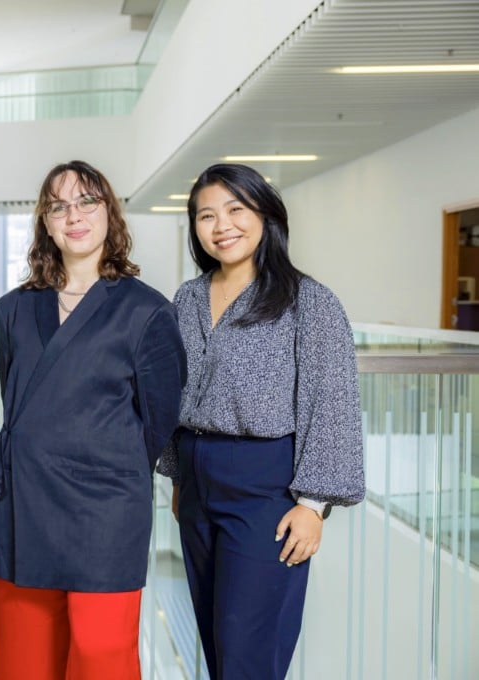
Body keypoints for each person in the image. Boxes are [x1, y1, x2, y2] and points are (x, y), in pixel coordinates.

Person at [158, 163, 365, 680]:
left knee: (248, 649)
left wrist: (314, 505)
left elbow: (331, 402)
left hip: (265, 485)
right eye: (206, 215)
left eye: (235, 210)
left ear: (265, 215)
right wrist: (182, 476)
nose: (221, 225)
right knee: (214, 639)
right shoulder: (186, 299)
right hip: (197, 478)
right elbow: (172, 391)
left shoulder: (307, 301)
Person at [0, 160, 186, 680]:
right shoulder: (14, 308)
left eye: (87, 202)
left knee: (102, 658)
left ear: (109, 213)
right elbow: (18, 399)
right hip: (24, 508)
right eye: (59, 206)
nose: (73, 215)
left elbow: (157, 422)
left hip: (106, 511)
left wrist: (99, 457)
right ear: (46, 223)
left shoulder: (147, 311)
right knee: (25, 662)